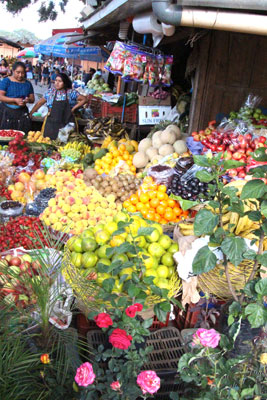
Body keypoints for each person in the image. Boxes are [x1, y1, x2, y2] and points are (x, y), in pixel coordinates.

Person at [29, 72, 87, 140]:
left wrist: (73, 109)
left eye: (60, 81)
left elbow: (84, 99)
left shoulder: (70, 92)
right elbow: (39, 103)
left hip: (67, 123)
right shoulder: (50, 92)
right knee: (49, 141)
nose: (57, 83)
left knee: (67, 141)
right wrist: (31, 113)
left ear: (64, 82)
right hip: (52, 123)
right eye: (56, 80)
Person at [0, 61, 35, 133]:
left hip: (22, 113)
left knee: (22, 135)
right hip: (7, 111)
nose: (20, 75)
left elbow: (32, 99)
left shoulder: (27, 83)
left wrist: (27, 100)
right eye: (18, 72)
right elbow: (1, 96)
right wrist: (14, 100)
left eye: (22, 73)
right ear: (13, 71)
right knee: (6, 134)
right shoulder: (6, 81)